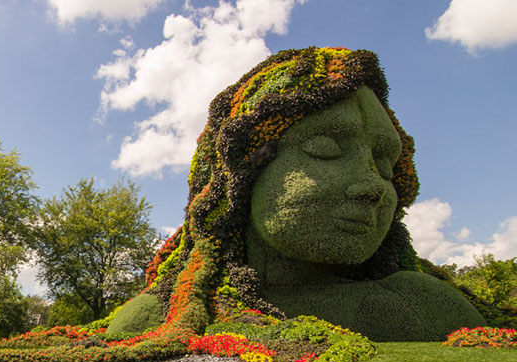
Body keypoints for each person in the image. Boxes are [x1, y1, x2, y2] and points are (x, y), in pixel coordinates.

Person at [106, 47, 485, 342]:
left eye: (385, 167)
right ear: (241, 175)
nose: (373, 186)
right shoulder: (156, 319)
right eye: (324, 148)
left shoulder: (426, 306)